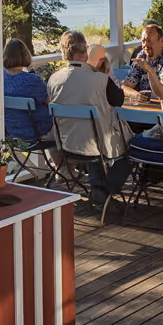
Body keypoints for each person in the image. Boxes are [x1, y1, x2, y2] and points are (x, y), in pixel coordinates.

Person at [47, 32, 129, 212]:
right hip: (96, 145)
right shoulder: (100, 79)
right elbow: (119, 100)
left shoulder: (53, 79)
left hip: (67, 145)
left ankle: (97, 186)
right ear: (84, 51)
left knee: (91, 136)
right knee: (130, 145)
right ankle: (104, 189)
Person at [2, 39, 51, 142]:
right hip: (35, 131)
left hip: (8, 131)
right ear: (25, 55)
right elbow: (50, 102)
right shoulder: (33, 81)